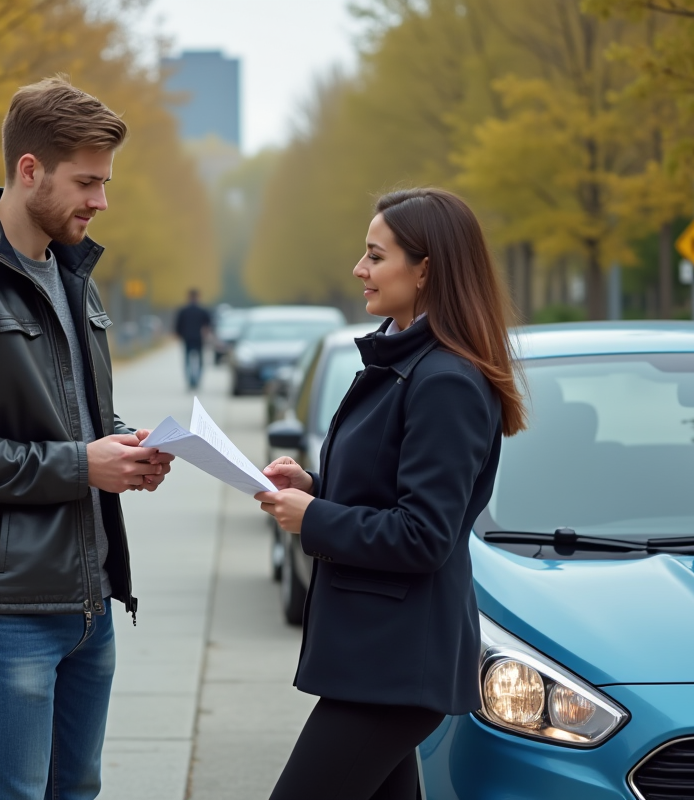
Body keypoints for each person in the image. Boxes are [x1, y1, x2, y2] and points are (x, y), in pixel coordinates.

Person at [0, 76, 175, 800]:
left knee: (75, 791)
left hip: (88, 602)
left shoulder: (75, 277)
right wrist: (83, 465)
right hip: (2, 608)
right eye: (86, 182)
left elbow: (70, 419)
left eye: (105, 182)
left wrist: (123, 447)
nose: (101, 201)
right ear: (29, 170)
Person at [254, 188, 527, 800]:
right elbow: (390, 492)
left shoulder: (445, 380)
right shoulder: (404, 362)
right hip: (377, 659)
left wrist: (314, 518)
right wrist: (313, 488)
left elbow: (425, 535)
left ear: (425, 270)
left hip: (397, 665)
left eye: (376, 256)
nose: (359, 269)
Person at [174, 288, 212, 389]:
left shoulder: (184, 311)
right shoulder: (202, 310)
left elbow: (178, 326)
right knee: (200, 361)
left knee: (187, 361)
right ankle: (197, 380)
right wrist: (207, 336)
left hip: (187, 338)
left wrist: (179, 335)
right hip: (199, 338)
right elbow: (208, 326)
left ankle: (190, 380)